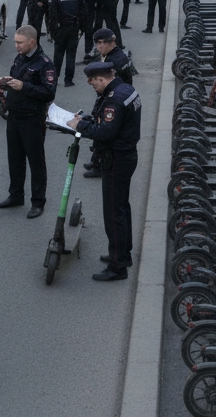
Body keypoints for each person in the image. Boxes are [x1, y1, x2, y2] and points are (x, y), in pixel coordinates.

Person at [66, 61, 142, 281]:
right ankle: (122, 253)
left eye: (93, 83)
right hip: (126, 156)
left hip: (116, 159)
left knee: (113, 213)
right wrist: (89, 120)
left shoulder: (114, 100)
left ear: (102, 78)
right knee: (122, 208)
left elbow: (106, 132)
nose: (92, 86)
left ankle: (118, 266)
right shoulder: (125, 89)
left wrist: (79, 126)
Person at [0, 25, 57, 218]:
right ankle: (16, 195)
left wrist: (24, 86)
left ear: (32, 42)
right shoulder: (20, 57)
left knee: (36, 161)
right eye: (15, 41)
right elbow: (17, 79)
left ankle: (38, 202)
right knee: (15, 159)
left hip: (32, 119)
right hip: (14, 116)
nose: (16, 46)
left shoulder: (45, 64)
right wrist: (6, 83)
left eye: (20, 42)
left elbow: (48, 93)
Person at [48, 0, 88, 86]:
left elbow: (52, 15)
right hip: (73, 27)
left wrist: (53, 31)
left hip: (60, 28)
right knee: (71, 54)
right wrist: (81, 28)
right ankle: (68, 80)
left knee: (58, 54)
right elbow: (84, 12)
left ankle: (55, 79)